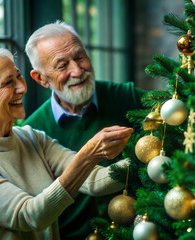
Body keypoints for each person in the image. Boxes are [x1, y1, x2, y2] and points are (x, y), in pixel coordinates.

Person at [0, 46, 133, 239]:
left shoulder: (32, 138)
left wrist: (151, 153)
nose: (22, 88)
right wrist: (88, 155)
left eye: (18, 76)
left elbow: (94, 180)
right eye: (8, 83)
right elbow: (30, 216)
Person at [24, 21, 146, 239]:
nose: (77, 71)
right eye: (62, 66)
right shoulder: (32, 131)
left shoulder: (127, 96)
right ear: (41, 78)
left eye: (80, 57)